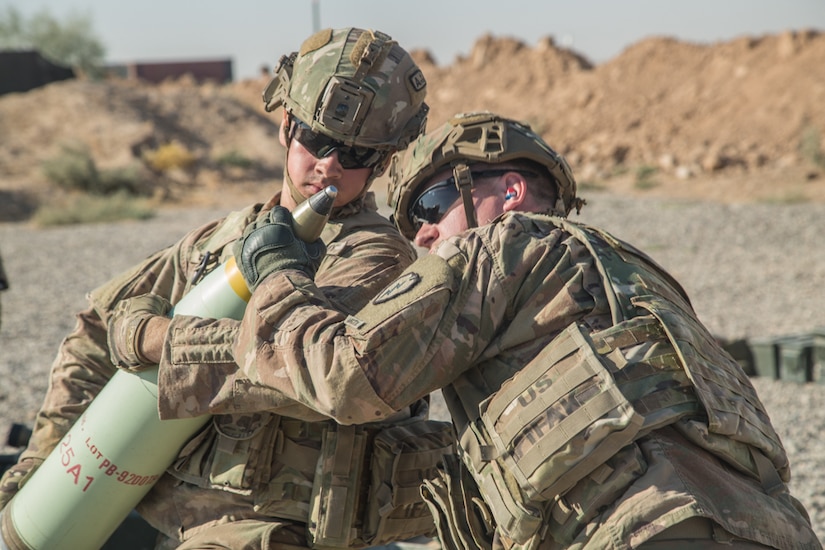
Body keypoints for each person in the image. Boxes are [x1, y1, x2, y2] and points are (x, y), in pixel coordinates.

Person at [110, 111, 819, 549]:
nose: (419, 233)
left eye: (432, 201)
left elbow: (344, 376)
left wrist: (273, 276)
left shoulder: (496, 249)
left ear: (505, 193)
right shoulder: (632, 278)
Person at [0, 27, 456, 550]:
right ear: (287, 126)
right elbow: (96, 332)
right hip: (164, 523)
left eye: (354, 154)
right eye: (317, 139)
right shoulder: (222, 238)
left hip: (275, 531)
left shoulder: (379, 258)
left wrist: (152, 340)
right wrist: (39, 462)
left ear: (381, 163)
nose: (329, 163)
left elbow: (304, 368)